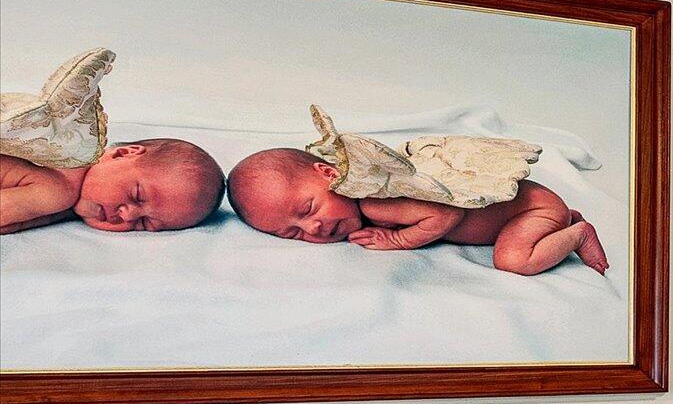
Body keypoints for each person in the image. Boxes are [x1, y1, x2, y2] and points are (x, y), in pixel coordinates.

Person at [226, 147, 606, 274]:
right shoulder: (362, 206)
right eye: (294, 233)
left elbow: (446, 215)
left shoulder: (377, 197)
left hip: (530, 209)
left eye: (308, 208)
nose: (314, 228)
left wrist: (397, 239)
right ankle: (561, 225)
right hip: (524, 211)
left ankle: (578, 231)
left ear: (329, 173)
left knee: (512, 260)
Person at [0, 137, 225, 234]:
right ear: (124, 153)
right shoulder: (62, 185)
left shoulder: (67, 205)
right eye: (137, 196)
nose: (127, 216)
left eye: (143, 223)